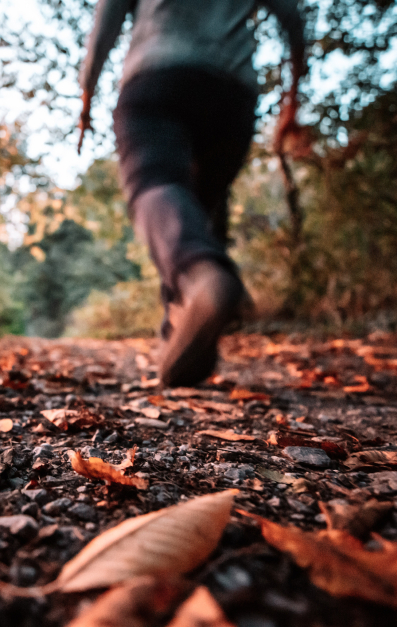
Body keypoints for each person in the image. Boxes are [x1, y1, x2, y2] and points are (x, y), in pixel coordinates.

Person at [77, 0, 306, 387]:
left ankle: (203, 280)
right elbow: (292, 19)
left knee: (155, 185)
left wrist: (87, 96)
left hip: (158, 73)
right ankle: (180, 336)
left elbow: (106, 22)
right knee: (193, 212)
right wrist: (292, 101)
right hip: (233, 93)